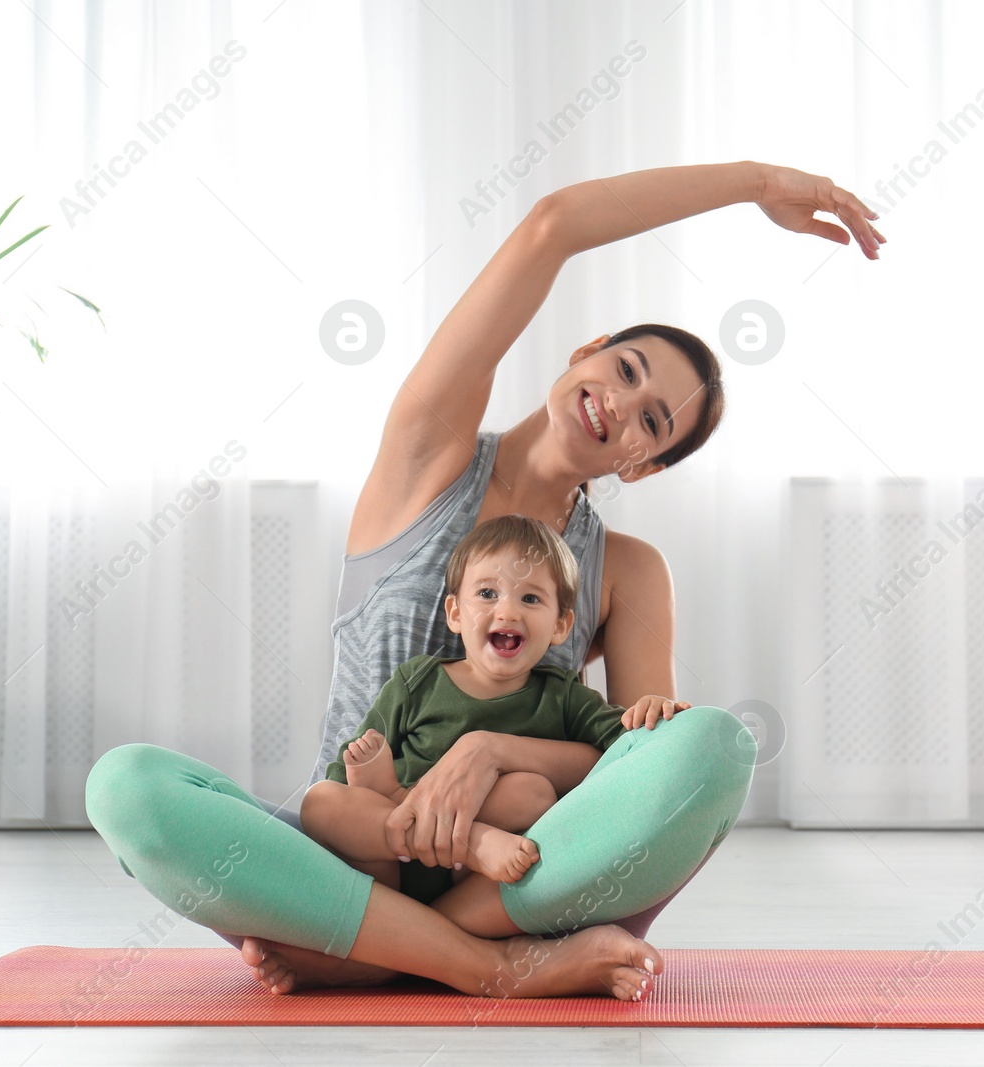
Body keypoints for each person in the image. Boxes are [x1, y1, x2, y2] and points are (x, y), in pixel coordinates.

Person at [85, 160, 884, 1003]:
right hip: (348, 854)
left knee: (717, 745)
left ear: (643, 465)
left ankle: (362, 950)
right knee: (127, 786)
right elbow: (553, 223)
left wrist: (488, 749)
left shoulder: (631, 572)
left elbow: (625, 773)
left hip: (511, 869)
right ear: (587, 354)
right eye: (626, 369)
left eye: (652, 420)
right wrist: (756, 184)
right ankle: (484, 967)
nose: (621, 402)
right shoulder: (429, 453)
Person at [301, 514, 692, 899]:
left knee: (532, 793)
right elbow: (346, 768)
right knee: (320, 800)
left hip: (470, 884)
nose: (507, 611)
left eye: (531, 598)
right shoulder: (417, 681)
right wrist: (360, 780)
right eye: (487, 594)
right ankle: (466, 839)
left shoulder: (562, 696)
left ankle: (412, 816)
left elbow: (625, 744)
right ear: (455, 613)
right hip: (390, 861)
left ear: (560, 625)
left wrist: (655, 709)